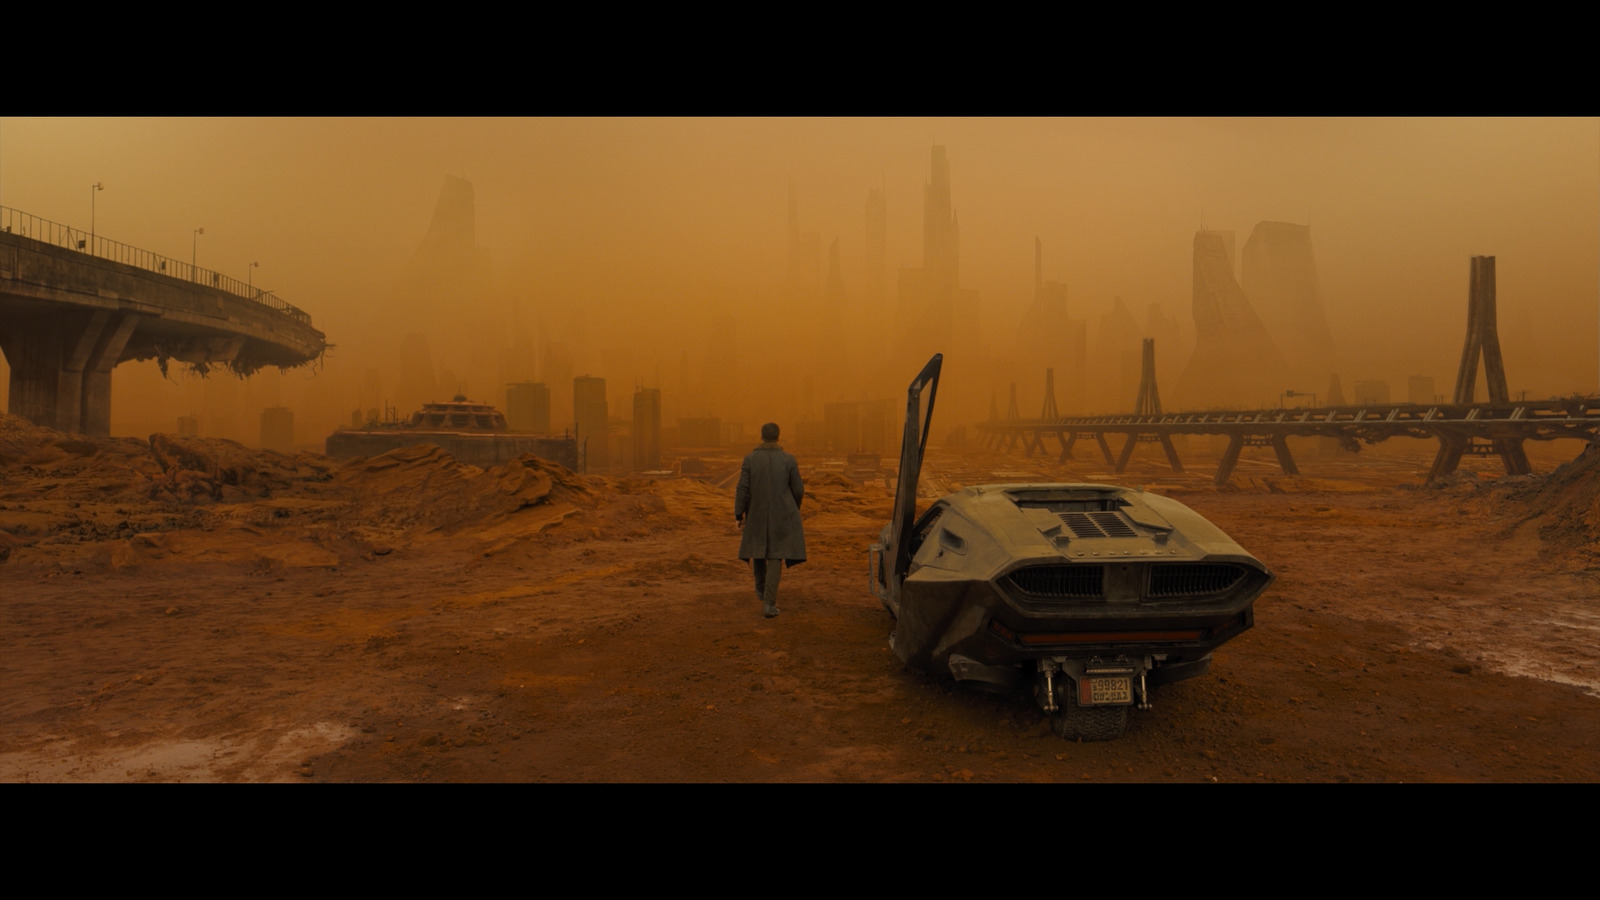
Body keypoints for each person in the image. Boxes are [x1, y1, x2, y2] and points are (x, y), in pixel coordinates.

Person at [735, 422, 805, 618]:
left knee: (758, 551)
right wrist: (792, 507)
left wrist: (738, 513)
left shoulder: (750, 459)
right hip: (781, 514)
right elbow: (798, 489)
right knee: (775, 556)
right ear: (778, 437)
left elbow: (742, 488)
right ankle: (769, 603)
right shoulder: (789, 460)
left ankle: (760, 588)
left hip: (755, 512)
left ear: (761, 437)